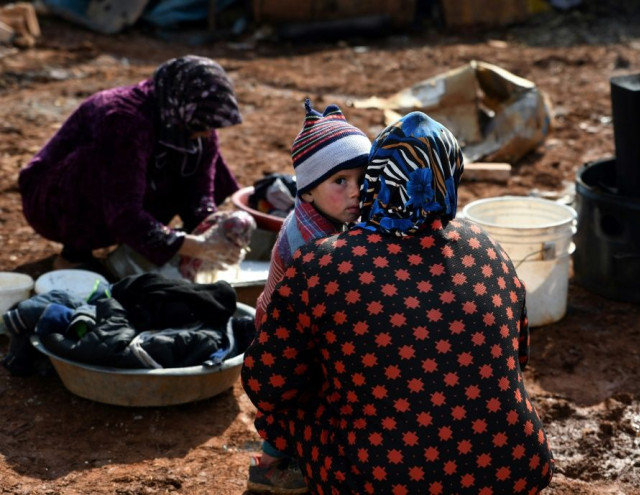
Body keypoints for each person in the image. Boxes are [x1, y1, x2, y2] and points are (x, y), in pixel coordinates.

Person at [242, 112, 554, 494]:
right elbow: (519, 356)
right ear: (449, 176)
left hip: (386, 480)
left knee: (298, 392)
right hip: (515, 472)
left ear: (377, 176)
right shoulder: (485, 247)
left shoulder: (322, 264)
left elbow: (267, 386)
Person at [18, 55, 245, 277]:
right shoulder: (124, 120)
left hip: (124, 184)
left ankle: (149, 242)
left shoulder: (187, 119)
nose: (207, 131)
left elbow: (201, 191)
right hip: (54, 199)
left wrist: (211, 230)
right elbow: (123, 210)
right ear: (181, 102)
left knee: (195, 154)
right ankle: (74, 253)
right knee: (112, 170)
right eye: (203, 124)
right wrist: (194, 246)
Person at [246, 98, 372, 494]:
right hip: (286, 338)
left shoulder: (331, 217)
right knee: (293, 404)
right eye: (340, 182)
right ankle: (267, 467)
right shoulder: (311, 241)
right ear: (307, 192)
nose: (356, 192)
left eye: (362, 179)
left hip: (304, 325)